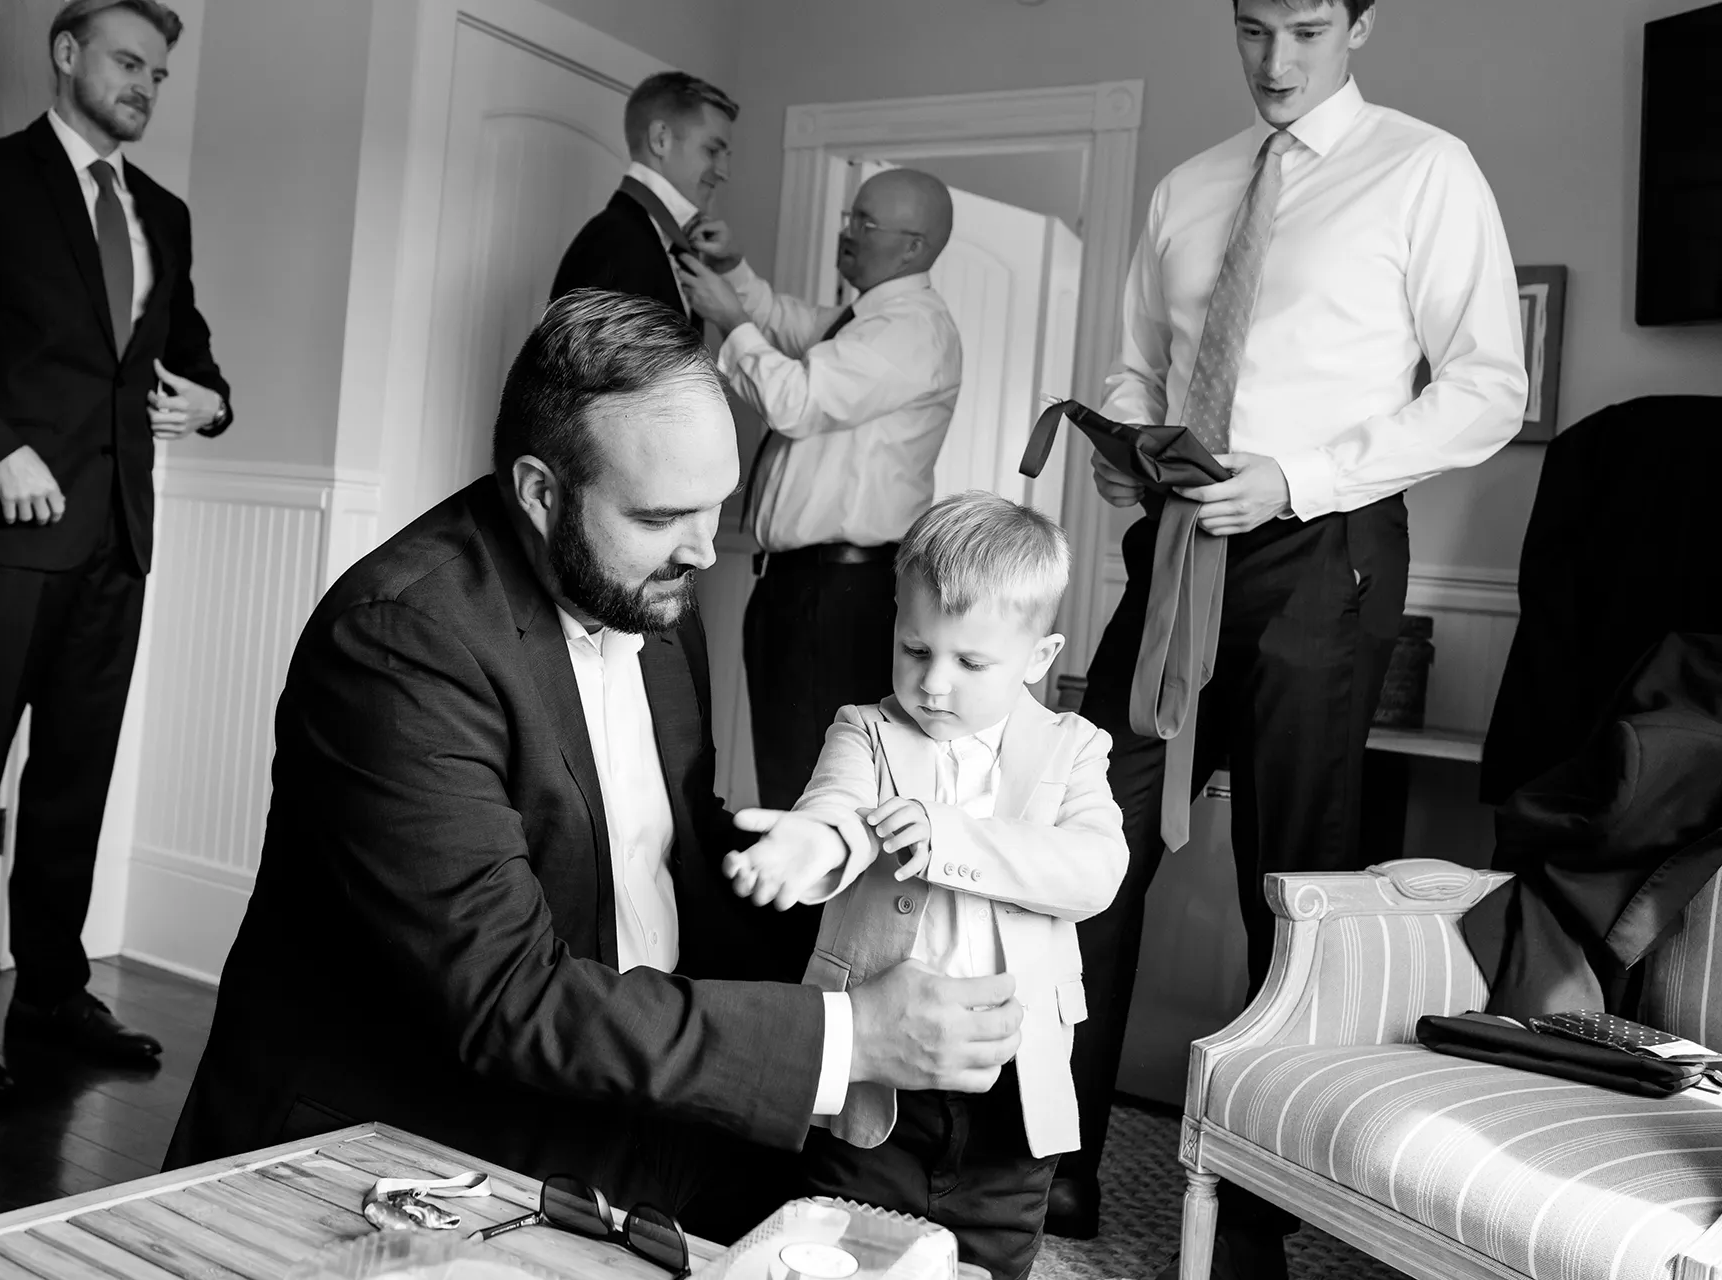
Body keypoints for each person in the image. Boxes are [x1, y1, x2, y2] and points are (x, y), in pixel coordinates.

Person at [166, 292, 1026, 1241]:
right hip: (420, 1136)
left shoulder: (648, 593)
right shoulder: (402, 642)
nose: (705, 550)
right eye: (663, 516)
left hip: (634, 1096)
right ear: (541, 492)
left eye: (717, 507)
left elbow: (667, 852)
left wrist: (886, 924)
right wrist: (850, 1036)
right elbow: (506, 997)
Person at [1050, 2, 1529, 1276]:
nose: (1276, 60)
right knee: (1085, 835)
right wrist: (1127, 446)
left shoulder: (1424, 169)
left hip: (1325, 549)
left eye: (1308, 27)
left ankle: (1256, 1211)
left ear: (1363, 23)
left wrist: (1298, 477)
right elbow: (1141, 367)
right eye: (1253, 27)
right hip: (1176, 550)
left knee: (1293, 877)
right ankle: (1057, 1159)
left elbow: (1489, 387)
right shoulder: (1188, 186)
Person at [0, 0, 232, 1101]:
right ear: (67, 55)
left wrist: (212, 405)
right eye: (129, 61)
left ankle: (52, 993)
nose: (145, 85)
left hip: (118, 536)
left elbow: (192, 356)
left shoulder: (163, 212)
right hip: (2, 533)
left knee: (76, 778)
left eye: (158, 73)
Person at [725, 492, 1129, 1280]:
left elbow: (1094, 869)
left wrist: (948, 835)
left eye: (970, 663)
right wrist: (809, 845)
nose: (934, 684)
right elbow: (839, 810)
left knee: (988, 1262)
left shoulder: (1074, 748)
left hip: (1010, 1092)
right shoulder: (865, 730)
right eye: (915, 649)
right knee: (836, 1252)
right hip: (877, 1081)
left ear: (1038, 657)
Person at [679, 168, 962, 833]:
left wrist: (729, 318)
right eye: (849, 217)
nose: (847, 233)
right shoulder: (866, 318)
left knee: (809, 784)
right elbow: (791, 326)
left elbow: (797, 400)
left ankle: (803, 900)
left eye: (866, 223)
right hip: (810, 589)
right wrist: (735, 272)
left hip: (838, 595)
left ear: (914, 246)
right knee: (792, 767)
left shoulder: (911, 330)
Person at [551, 72, 737, 323]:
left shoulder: (660, 242)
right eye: (713, 151)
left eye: (726, 156)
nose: (724, 173)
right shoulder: (614, 246)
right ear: (660, 140)